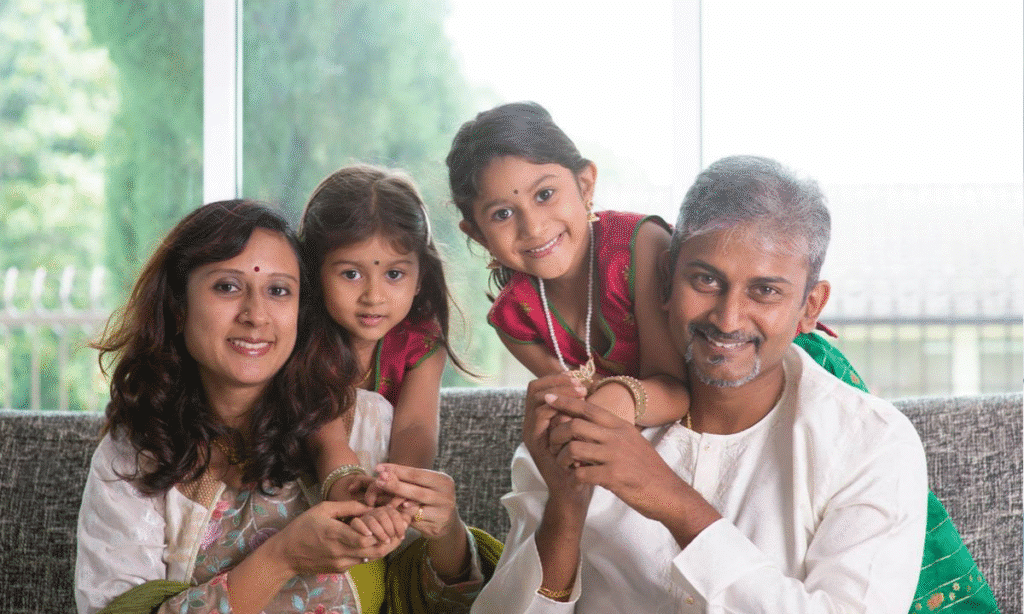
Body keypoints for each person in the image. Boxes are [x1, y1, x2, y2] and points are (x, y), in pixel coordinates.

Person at [472, 156, 934, 612]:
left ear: (810, 307)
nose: (728, 319)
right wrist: (565, 506)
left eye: (766, 291)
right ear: (667, 283)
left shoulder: (870, 442)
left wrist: (674, 503)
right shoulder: (591, 418)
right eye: (707, 280)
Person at [75, 200, 498, 614]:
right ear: (178, 306)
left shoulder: (365, 423)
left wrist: (447, 536)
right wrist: (281, 558)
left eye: (278, 290)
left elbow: (439, 602)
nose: (256, 315)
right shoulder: (135, 453)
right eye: (227, 286)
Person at [446, 102, 864, 427]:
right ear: (478, 233)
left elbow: (676, 388)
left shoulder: (638, 248)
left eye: (544, 195)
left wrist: (616, 399)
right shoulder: (515, 320)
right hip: (648, 422)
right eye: (502, 213)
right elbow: (572, 399)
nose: (533, 227)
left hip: (749, 366)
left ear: (586, 184)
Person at [299, 164, 470, 502]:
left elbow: (415, 427)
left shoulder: (421, 342)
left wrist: (397, 489)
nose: (373, 296)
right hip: (308, 485)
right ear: (315, 272)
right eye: (350, 274)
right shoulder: (302, 334)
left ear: (420, 277)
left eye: (394, 274)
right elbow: (326, 436)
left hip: (381, 486)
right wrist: (349, 493)